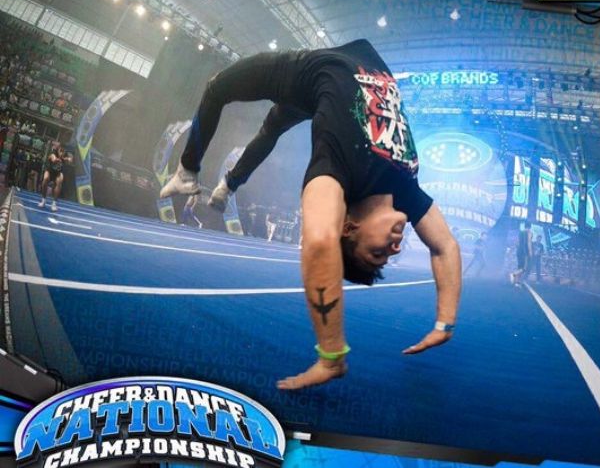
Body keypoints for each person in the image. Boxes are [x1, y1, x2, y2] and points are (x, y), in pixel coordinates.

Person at [159, 39, 461, 390]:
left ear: (349, 228)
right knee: (273, 126)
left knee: (219, 88)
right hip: (357, 66)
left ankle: (189, 172)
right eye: (390, 255)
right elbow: (445, 247)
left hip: (311, 72)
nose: (395, 248)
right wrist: (445, 323)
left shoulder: (336, 173)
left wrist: (332, 356)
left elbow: (318, 242)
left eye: (377, 252)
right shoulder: (406, 190)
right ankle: (228, 184)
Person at [38, 143, 72, 212]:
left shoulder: (66, 154)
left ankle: (54, 203)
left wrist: (68, 159)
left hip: (58, 172)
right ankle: (43, 200)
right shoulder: (53, 153)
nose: (62, 152)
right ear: (58, 149)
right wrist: (63, 159)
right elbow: (54, 159)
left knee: (60, 181)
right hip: (49, 171)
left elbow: (70, 160)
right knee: (45, 179)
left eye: (63, 151)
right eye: (61, 150)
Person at [512, 222, 533, 287]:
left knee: (519, 267)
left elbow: (517, 242)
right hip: (525, 252)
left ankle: (516, 282)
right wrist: (530, 252)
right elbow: (529, 242)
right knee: (524, 268)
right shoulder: (529, 233)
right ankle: (514, 274)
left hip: (519, 251)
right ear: (530, 227)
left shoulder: (520, 232)